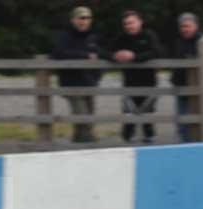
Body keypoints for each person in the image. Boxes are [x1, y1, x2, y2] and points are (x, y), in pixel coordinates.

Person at [51, 6, 108, 143]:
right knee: (84, 119)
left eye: (87, 18)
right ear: (73, 20)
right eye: (81, 18)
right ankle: (90, 145)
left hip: (89, 83)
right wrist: (85, 56)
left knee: (87, 118)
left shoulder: (92, 37)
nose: (84, 21)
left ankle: (77, 144)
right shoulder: (65, 36)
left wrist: (99, 74)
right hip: (72, 84)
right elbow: (58, 53)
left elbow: (101, 54)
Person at [111, 10, 163, 143]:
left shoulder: (149, 35)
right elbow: (107, 51)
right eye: (126, 23)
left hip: (149, 83)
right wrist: (116, 56)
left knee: (147, 118)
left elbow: (157, 52)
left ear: (140, 22)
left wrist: (134, 57)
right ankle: (126, 142)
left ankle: (150, 143)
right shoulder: (121, 38)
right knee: (129, 119)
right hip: (129, 84)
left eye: (132, 22)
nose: (129, 26)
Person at [171, 12, 202, 142]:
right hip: (181, 89)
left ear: (196, 26)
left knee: (197, 122)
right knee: (182, 123)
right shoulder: (179, 42)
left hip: (198, 91)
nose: (185, 29)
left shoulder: (201, 41)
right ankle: (185, 147)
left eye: (188, 26)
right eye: (183, 26)